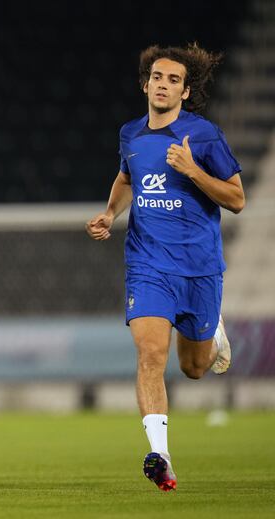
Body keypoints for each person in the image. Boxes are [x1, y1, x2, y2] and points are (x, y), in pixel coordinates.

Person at [86, 43, 245, 492]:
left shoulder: (204, 136)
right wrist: (110, 213)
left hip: (199, 268)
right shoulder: (131, 135)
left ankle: (213, 331)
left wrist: (194, 171)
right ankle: (161, 454)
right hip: (148, 264)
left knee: (194, 368)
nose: (163, 85)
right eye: (158, 77)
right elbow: (125, 178)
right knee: (150, 356)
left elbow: (236, 199)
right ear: (145, 84)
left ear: (185, 90)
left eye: (174, 80)